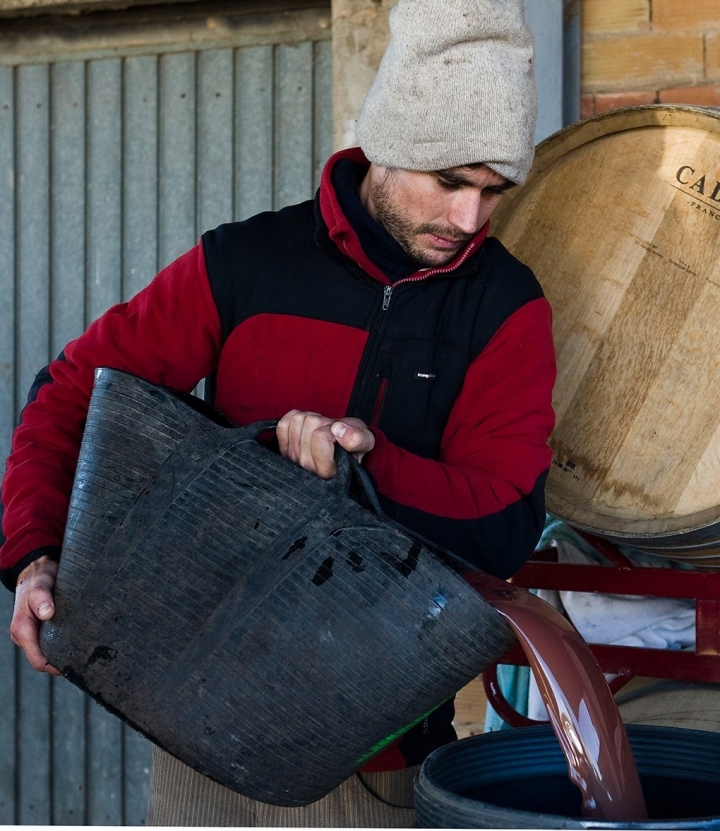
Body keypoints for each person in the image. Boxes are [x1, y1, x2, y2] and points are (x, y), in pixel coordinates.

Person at [0, 0, 555, 825]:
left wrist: (368, 466)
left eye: (493, 190)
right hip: (189, 716)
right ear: (390, 142)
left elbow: (504, 519)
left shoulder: (507, 307)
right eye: (449, 182)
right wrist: (36, 554)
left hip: (372, 753)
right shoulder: (246, 263)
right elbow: (71, 393)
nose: (468, 220)